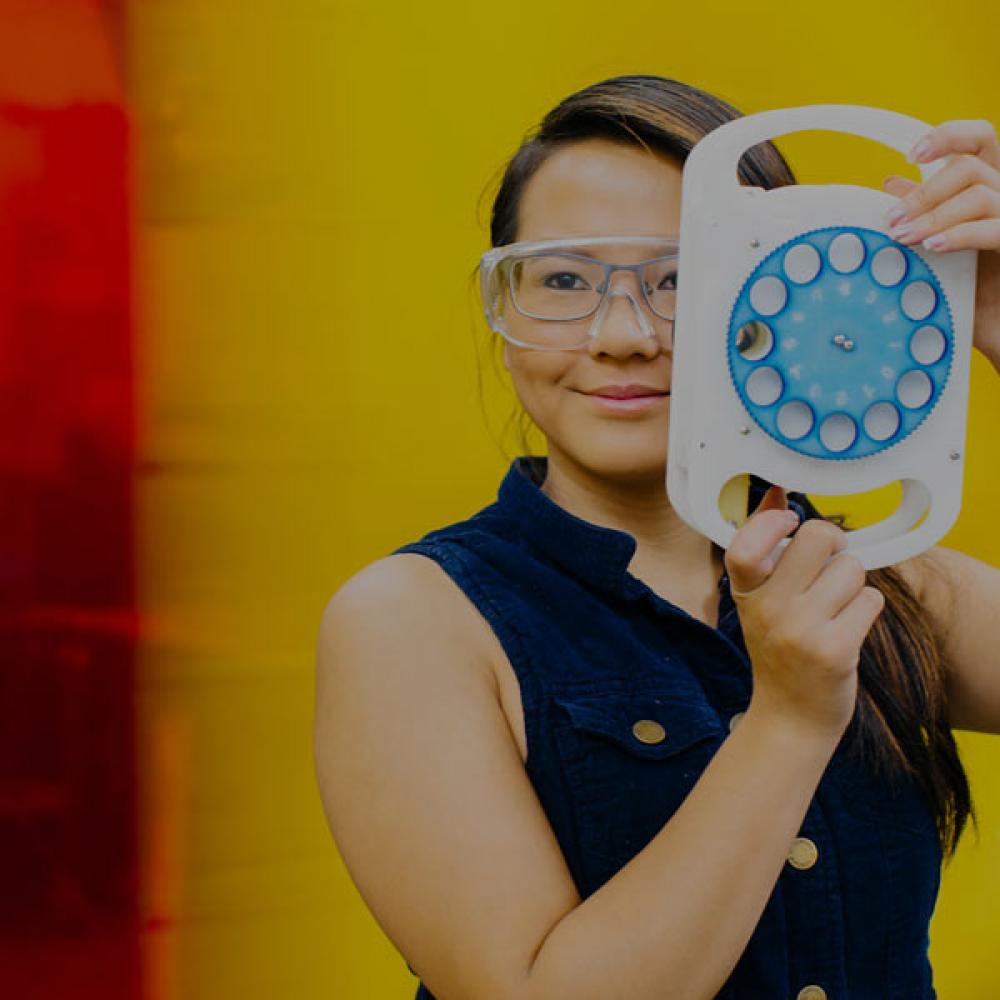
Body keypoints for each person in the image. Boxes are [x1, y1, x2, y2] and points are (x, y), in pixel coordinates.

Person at [314, 75, 1000, 1000]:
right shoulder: (413, 622)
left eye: (684, 278)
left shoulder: (880, 580)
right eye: (562, 279)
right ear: (505, 314)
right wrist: (788, 722)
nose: (624, 334)